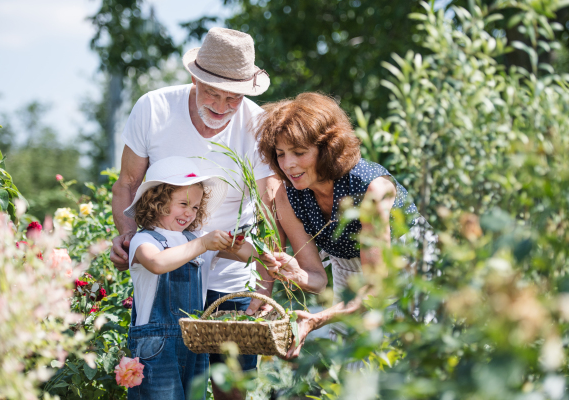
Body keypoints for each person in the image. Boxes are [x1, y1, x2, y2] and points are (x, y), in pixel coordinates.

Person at [110, 27, 278, 398]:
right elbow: (126, 184)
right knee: (167, 383)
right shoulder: (154, 108)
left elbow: (271, 206)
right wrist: (126, 236)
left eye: (232, 99)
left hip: (233, 278)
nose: (220, 107)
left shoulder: (257, 124)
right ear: (194, 78)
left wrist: (266, 282)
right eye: (212, 94)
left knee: (230, 387)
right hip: (168, 274)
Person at [247, 92, 421, 359]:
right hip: (349, 271)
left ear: (327, 148)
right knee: (352, 363)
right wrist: (294, 272)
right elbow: (317, 280)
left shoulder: (370, 188)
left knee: (407, 359)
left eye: (299, 152)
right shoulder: (289, 194)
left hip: (408, 267)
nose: (289, 164)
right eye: (280, 154)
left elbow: (377, 289)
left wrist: (318, 319)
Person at [125, 156, 258, 400]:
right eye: (183, 204)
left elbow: (251, 255)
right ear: (157, 201)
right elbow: (157, 263)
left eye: (195, 207)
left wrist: (235, 244)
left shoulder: (197, 239)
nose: (189, 212)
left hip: (194, 344)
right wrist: (203, 243)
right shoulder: (143, 241)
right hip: (156, 349)